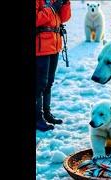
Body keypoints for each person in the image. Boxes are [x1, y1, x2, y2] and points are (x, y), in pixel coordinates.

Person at [35, 0, 71, 131]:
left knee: (49, 82)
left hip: (54, 46)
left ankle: (46, 114)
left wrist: (65, 3)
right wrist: (52, 9)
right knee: (39, 84)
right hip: (40, 48)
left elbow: (65, 18)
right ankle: (38, 118)